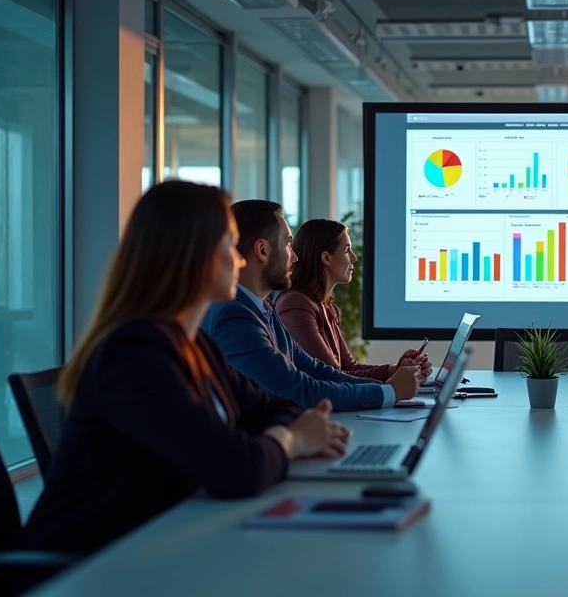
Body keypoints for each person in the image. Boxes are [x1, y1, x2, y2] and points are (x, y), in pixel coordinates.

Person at [21, 181, 350, 557]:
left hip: (154, 547)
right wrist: (294, 440)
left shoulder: (193, 345)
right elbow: (235, 468)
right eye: (229, 244)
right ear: (193, 255)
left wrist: (284, 432)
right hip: (83, 570)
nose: (241, 260)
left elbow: (274, 407)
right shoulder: (134, 356)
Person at [203, 201, 422, 410]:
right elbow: (298, 389)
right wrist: (389, 392)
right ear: (263, 251)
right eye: (288, 244)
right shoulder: (234, 316)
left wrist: (388, 387)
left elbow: (316, 370)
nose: (295, 257)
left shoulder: (263, 309)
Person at [275, 218, 431, 380]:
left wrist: (397, 369)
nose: (354, 258)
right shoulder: (296, 304)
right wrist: (395, 381)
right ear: (326, 258)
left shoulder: (326, 306)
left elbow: (349, 367)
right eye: (347, 250)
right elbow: (331, 375)